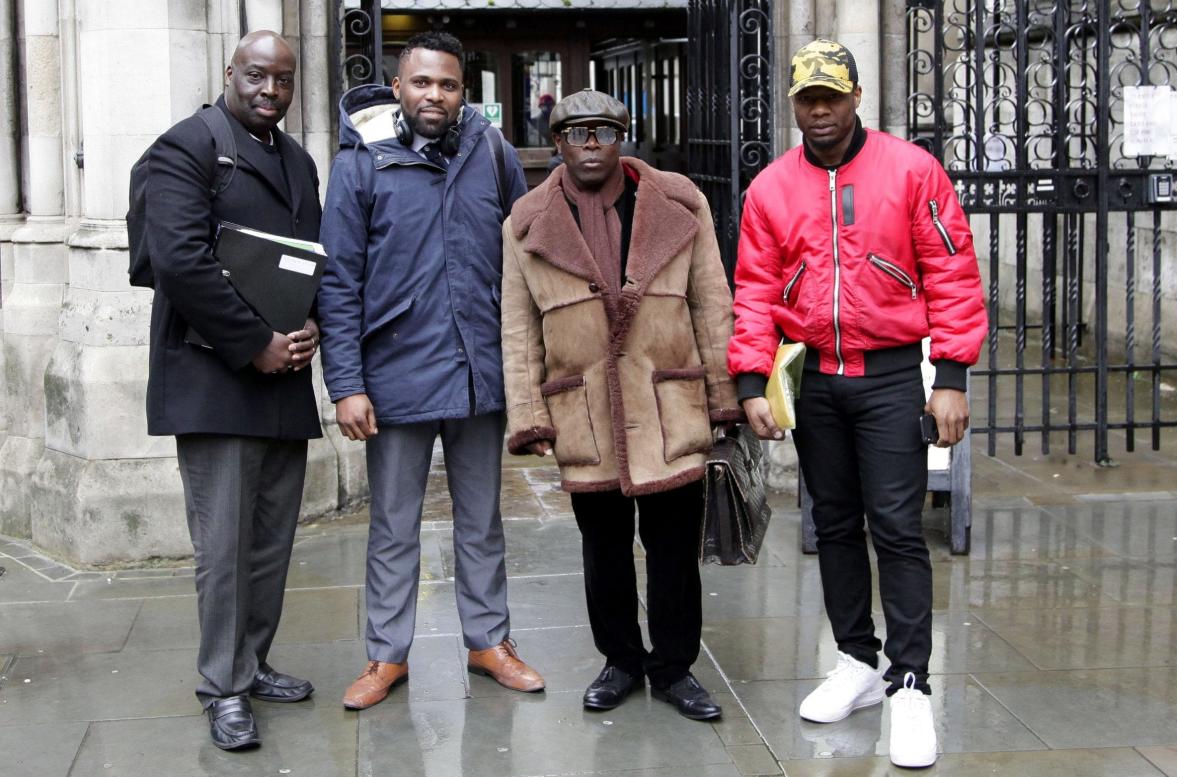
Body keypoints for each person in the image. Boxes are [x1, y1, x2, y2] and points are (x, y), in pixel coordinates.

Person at [728, 40, 987, 768]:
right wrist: (752, 381)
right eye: (807, 99)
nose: (818, 112)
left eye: (830, 97)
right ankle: (857, 660)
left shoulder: (912, 171)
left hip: (890, 374)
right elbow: (753, 289)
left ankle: (911, 681)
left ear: (856, 96)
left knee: (899, 528)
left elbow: (952, 271)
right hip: (814, 379)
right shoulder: (771, 188)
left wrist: (954, 376)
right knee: (833, 523)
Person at [318, 31, 544, 710]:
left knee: (482, 519)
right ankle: (386, 654)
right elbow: (338, 282)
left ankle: (489, 640)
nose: (434, 96)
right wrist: (347, 383)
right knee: (393, 523)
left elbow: (522, 252)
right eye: (422, 83)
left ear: (462, 92)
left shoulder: (492, 151)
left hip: (478, 371)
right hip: (394, 376)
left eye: (447, 85)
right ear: (398, 88)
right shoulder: (361, 162)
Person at [500, 89, 743, 721]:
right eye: (574, 132)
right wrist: (529, 412)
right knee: (602, 550)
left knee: (672, 550)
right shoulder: (525, 222)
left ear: (623, 137)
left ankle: (674, 667)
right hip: (583, 410)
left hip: (669, 400)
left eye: (603, 131)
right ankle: (620, 660)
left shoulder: (680, 202)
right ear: (555, 143)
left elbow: (712, 303)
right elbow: (518, 327)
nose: (589, 144)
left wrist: (724, 398)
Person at [143, 31, 322, 751]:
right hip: (215, 376)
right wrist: (257, 343)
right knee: (222, 545)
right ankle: (223, 687)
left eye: (282, 80)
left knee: (271, 540)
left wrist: (310, 328)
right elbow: (179, 261)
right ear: (230, 71)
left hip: (284, 380)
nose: (269, 91)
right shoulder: (184, 147)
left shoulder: (300, 160)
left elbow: (309, 261)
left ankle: (253, 661)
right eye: (256, 76)